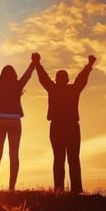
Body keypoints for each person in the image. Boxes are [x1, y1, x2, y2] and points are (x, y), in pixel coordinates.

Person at [33, 53, 97, 195]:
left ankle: (59, 190)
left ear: (56, 80)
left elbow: (44, 78)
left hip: (59, 127)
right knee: (72, 158)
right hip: (71, 127)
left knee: (60, 159)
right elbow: (82, 78)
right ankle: (75, 190)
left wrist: (37, 63)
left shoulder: (54, 88)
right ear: (67, 80)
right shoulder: (72, 89)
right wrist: (89, 65)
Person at [0, 49, 35, 194]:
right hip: (15, 121)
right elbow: (27, 76)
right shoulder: (17, 85)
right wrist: (33, 63)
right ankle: (11, 188)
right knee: (14, 155)